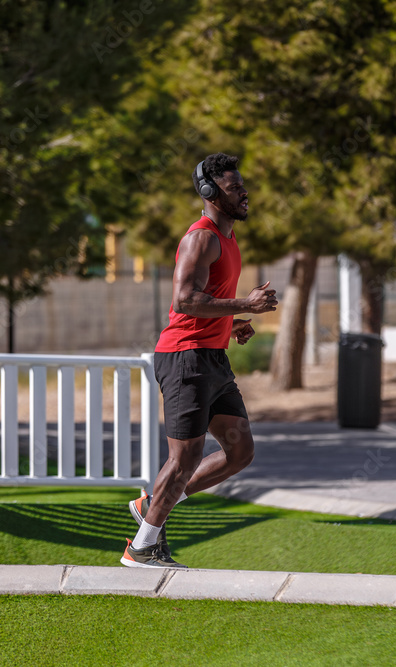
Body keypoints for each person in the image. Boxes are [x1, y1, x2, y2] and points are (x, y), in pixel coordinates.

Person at [121, 153, 278, 568]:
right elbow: (184, 301)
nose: (244, 193)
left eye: (243, 185)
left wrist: (232, 323)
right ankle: (143, 547)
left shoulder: (229, 240)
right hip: (184, 359)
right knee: (185, 458)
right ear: (209, 194)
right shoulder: (201, 238)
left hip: (212, 357)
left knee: (239, 450)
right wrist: (246, 302)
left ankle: (153, 504)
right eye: (234, 188)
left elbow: (205, 305)